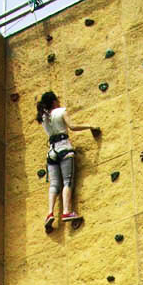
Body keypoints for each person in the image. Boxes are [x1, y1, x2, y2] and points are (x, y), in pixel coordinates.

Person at [35, 90, 98, 231]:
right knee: (67, 181)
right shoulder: (60, 111)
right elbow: (73, 127)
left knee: (54, 185)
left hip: (51, 152)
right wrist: (90, 126)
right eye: (57, 99)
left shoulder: (44, 118)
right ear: (54, 102)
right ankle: (66, 211)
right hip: (64, 149)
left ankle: (50, 213)